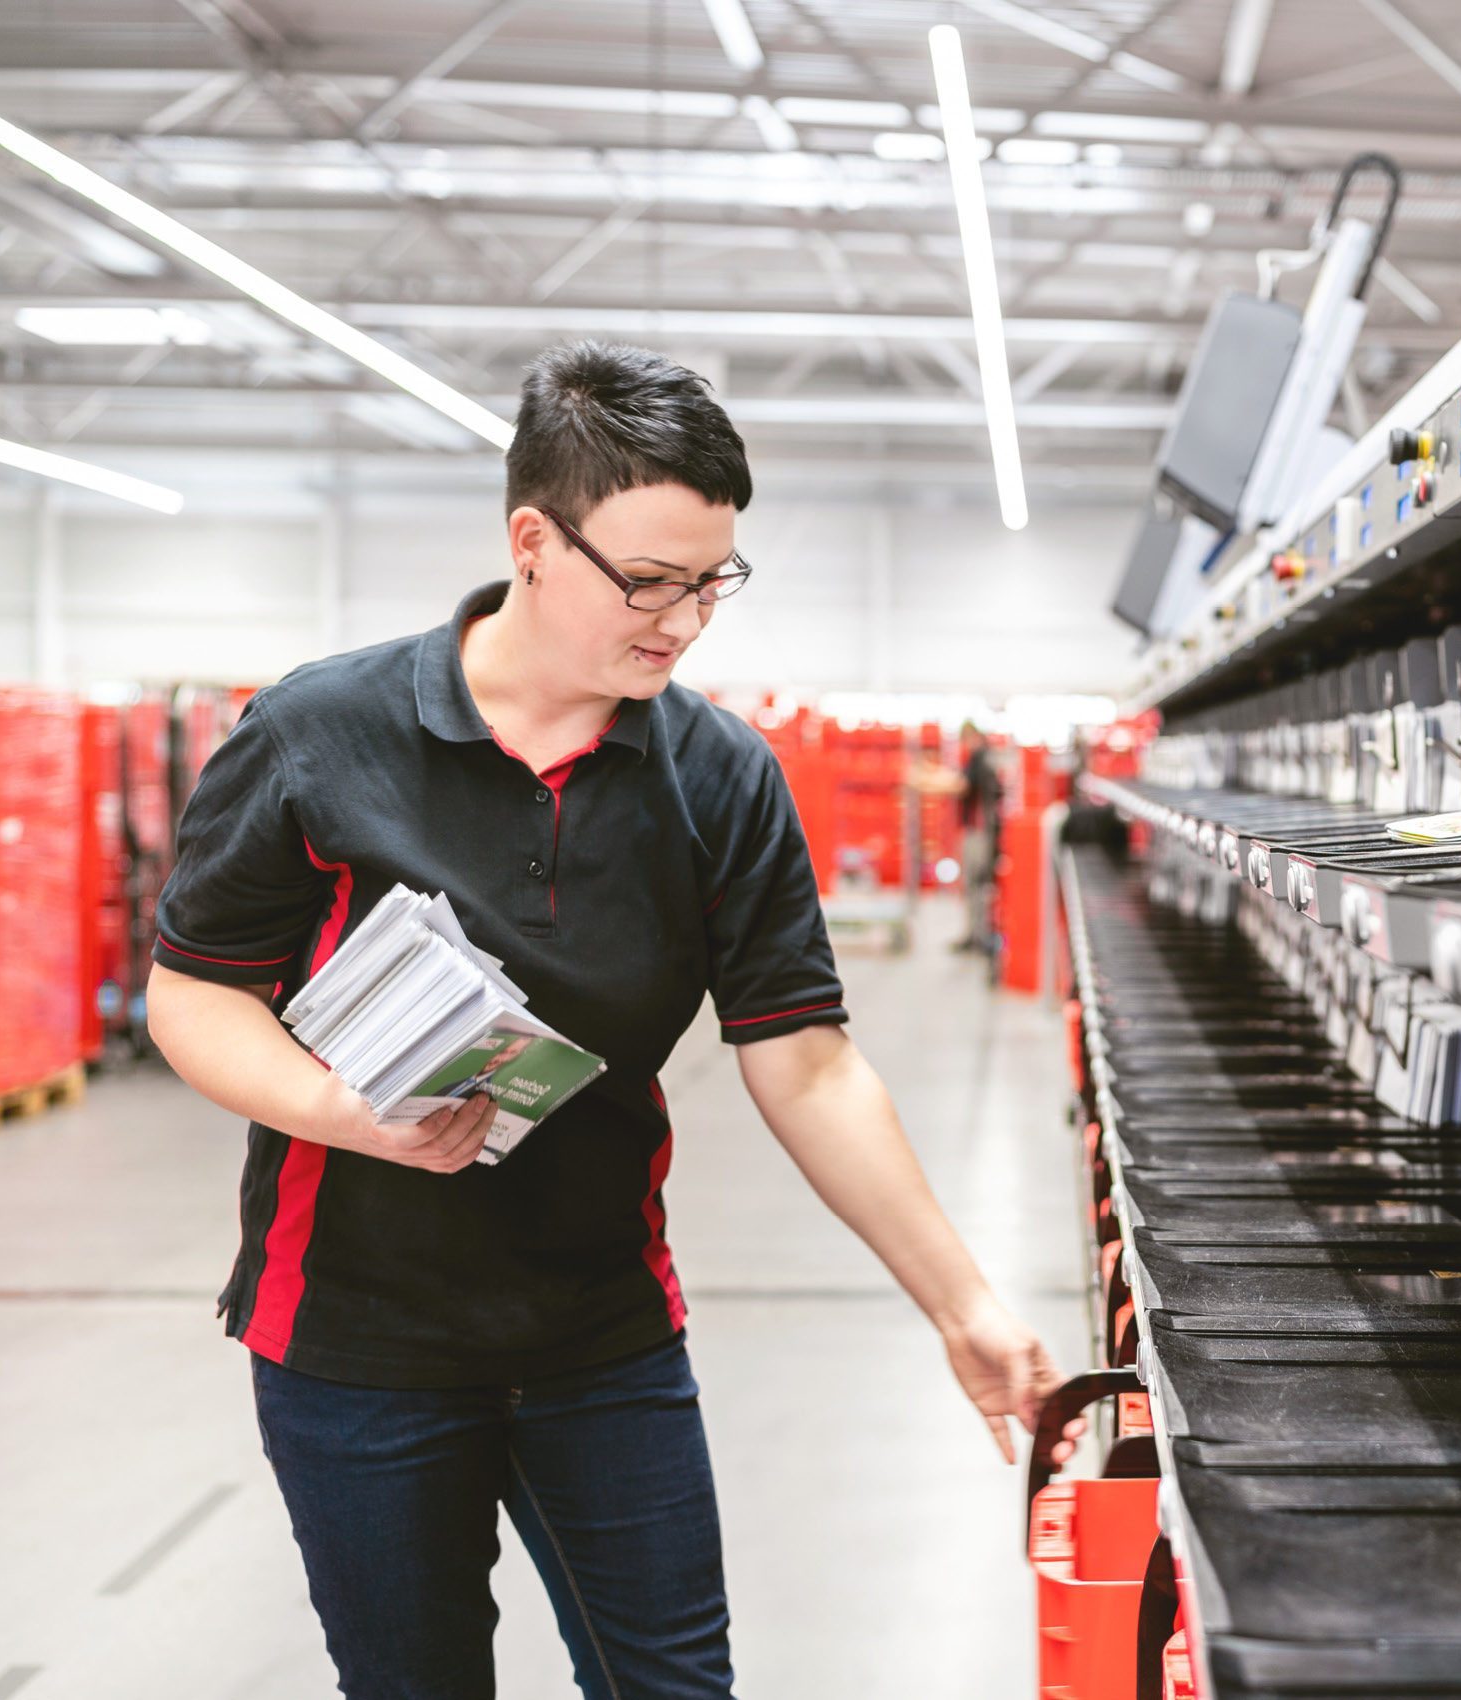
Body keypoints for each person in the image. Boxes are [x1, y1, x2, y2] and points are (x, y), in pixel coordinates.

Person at [144, 341, 1080, 1700]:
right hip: (357, 1344)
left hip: (602, 1335)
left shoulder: (719, 778)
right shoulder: (319, 734)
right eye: (649, 582)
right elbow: (194, 990)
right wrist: (343, 1116)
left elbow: (807, 1064)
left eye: (714, 581)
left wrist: (962, 1303)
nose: (687, 621)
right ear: (533, 541)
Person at [955, 722, 1005, 955]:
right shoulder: (988, 759)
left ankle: (979, 936)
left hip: (978, 831)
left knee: (975, 884)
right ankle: (976, 934)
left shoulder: (978, 759)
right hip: (984, 831)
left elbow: (962, 786)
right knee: (977, 885)